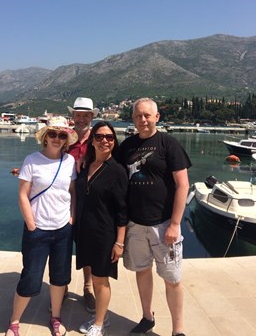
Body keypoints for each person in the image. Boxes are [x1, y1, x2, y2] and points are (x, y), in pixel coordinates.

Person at [120, 98, 191, 336]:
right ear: (133, 119)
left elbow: (183, 185)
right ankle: (147, 317)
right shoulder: (127, 146)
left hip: (163, 225)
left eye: (147, 115)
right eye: (139, 116)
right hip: (136, 224)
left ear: (157, 117)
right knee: (142, 271)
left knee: (172, 279)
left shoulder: (168, 144)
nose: (143, 120)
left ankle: (178, 330)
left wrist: (175, 223)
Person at [5, 117, 78, 336]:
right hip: (38, 230)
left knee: (59, 277)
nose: (57, 138)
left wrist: (72, 217)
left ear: (66, 139)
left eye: (62, 135)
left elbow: (72, 192)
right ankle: (14, 322)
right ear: (45, 137)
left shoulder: (70, 162)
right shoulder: (32, 160)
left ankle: (55, 318)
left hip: (63, 229)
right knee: (30, 277)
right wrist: (31, 223)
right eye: (53, 134)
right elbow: (23, 195)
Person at [75, 121, 128, 336]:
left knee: (100, 279)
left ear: (114, 142)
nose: (104, 140)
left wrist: (119, 242)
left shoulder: (117, 171)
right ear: (93, 140)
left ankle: (99, 325)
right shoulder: (86, 165)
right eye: (99, 136)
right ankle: (101, 316)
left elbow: (123, 209)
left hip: (104, 234)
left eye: (109, 137)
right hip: (85, 231)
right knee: (95, 276)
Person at [66, 97, 99, 313]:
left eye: (86, 115)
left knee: (87, 248)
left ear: (91, 117)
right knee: (62, 247)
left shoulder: (99, 140)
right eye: (78, 115)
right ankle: (61, 287)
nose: (81, 119)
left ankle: (88, 288)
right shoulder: (63, 139)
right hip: (64, 203)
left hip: (89, 204)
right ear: (73, 117)